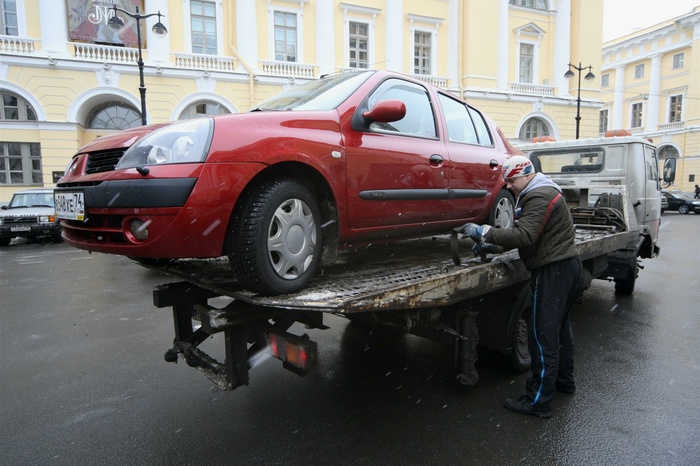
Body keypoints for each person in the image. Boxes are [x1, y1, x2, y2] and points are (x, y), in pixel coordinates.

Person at [461, 155, 582, 419]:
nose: (510, 186)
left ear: (527, 174)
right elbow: (531, 235)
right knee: (560, 332)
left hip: (554, 271)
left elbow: (525, 235)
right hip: (565, 267)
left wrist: (485, 232)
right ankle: (564, 381)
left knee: (542, 338)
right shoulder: (541, 191)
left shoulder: (537, 196)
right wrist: (494, 245)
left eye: (513, 180)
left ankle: (538, 402)